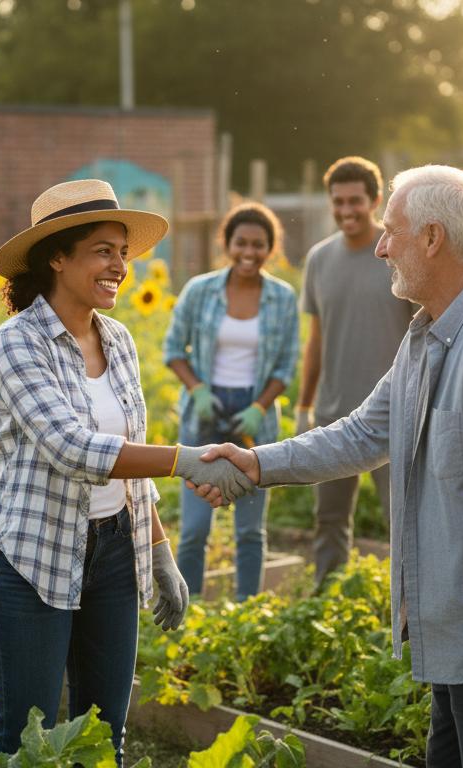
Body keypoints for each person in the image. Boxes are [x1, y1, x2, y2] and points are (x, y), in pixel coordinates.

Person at [197, 165, 463, 768]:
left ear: (432, 239)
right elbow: (363, 433)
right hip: (460, 630)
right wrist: (255, 463)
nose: (381, 246)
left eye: (393, 231)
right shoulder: (428, 334)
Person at [0, 179, 250, 762]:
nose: (121, 266)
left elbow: (131, 458)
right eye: (104, 250)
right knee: (25, 744)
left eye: (123, 252)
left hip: (113, 554)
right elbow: (71, 448)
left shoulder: (118, 339)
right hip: (33, 558)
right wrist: (188, 459)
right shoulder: (16, 344)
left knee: (103, 737)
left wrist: (157, 547)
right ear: (57, 255)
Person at [163, 202, 298, 600]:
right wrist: (198, 390)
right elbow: (173, 349)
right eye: (241, 243)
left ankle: (248, 610)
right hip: (205, 411)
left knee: (250, 530)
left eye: (259, 245)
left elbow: (285, 367)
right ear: (227, 243)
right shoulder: (200, 290)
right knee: (194, 529)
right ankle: (187, 613)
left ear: (270, 249)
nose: (249, 252)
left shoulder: (282, 297)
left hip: (254, 417)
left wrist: (259, 408)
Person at [295, 156, 414, 586]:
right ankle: (327, 597)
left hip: (394, 413)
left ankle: (405, 609)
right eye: (338, 202)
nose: (346, 210)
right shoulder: (319, 259)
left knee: (400, 521)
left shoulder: (397, 254)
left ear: (376, 200)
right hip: (334, 413)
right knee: (329, 519)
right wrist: (305, 405)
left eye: (356, 201)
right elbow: (318, 338)